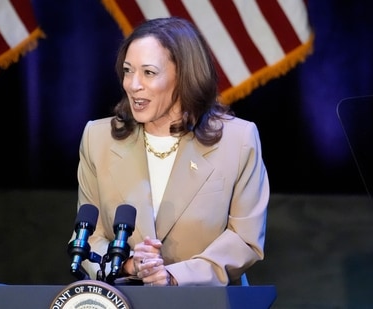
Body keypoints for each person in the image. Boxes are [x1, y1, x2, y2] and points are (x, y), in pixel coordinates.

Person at [74, 16, 269, 287]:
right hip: (125, 300)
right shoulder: (98, 138)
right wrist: (129, 263)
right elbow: (87, 235)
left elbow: (244, 239)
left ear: (184, 76)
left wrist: (175, 277)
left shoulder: (238, 140)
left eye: (149, 73)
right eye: (128, 71)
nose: (133, 84)